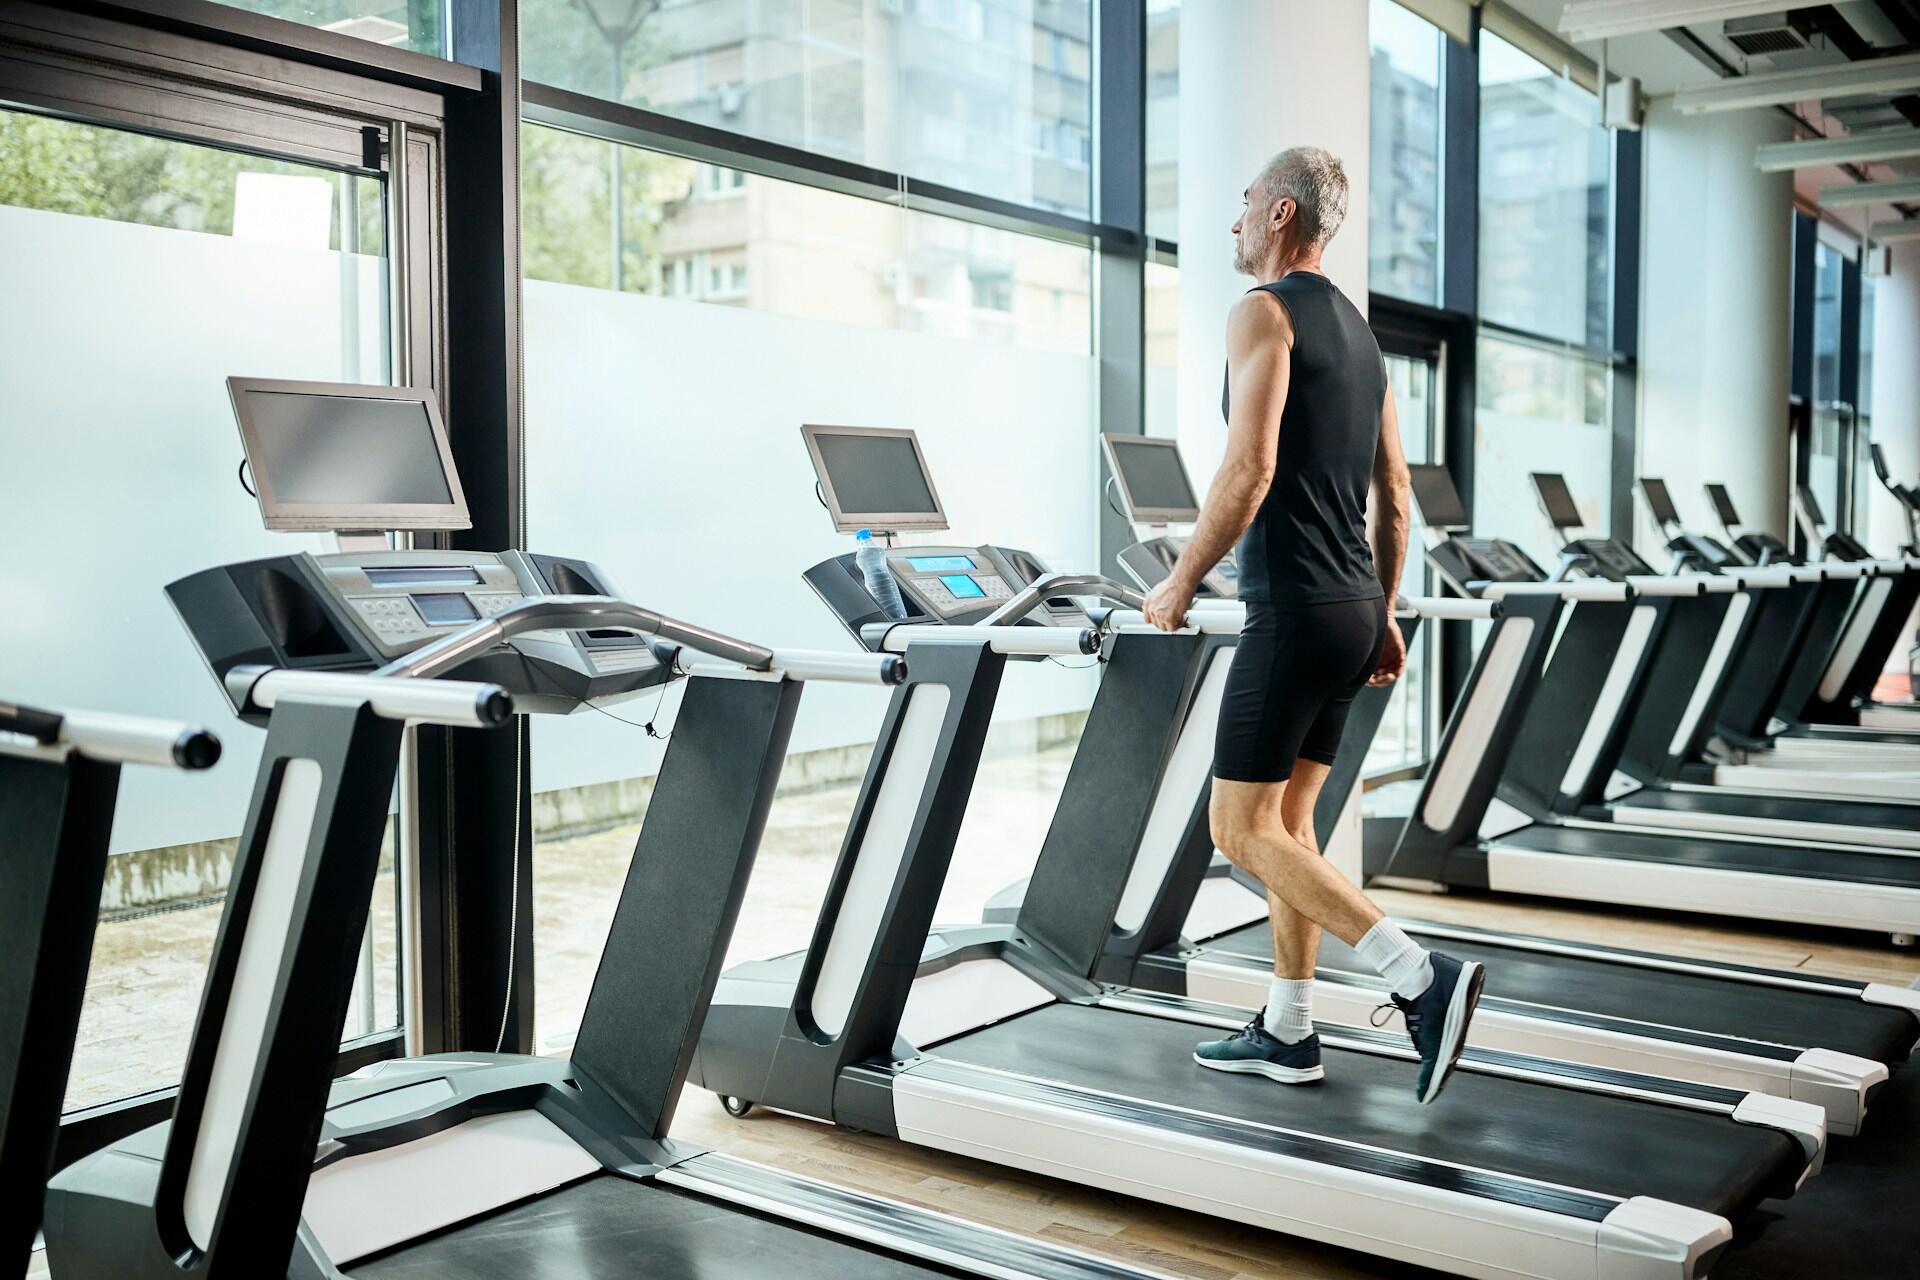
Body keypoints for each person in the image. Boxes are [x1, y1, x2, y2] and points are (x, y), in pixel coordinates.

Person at [1141, 146, 1483, 1104]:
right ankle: (1290, 1029)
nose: (1235, 219)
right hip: (1352, 613)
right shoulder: (1363, 339)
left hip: (1292, 610)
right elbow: (1396, 493)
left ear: (1282, 213)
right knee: (1291, 826)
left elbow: (1248, 468)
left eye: (1246, 202)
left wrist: (1177, 582)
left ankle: (1419, 976)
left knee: (1236, 828)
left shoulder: (1264, 312)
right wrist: (1384, 612)